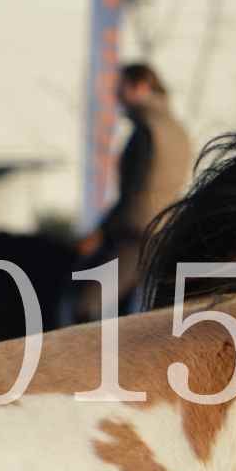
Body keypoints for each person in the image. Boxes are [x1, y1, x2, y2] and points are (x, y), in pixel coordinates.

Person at [76, 63, 196, 319]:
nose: (117, 97)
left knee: (86, 307)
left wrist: (101, 231)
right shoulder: (177, 129)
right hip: (164, 229)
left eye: (121, 88)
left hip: (137, 235)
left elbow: (136, 196)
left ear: (140, 85)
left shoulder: (147, 131)